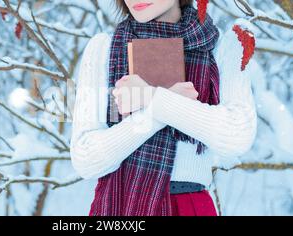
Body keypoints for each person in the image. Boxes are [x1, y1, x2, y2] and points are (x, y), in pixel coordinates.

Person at [70, 0, 257, 216]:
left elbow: (236, 136)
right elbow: (86, 158)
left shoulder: (222, 46)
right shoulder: (104, 49)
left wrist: (152, 97)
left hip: (189, 206)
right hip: (119, 207)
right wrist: (157, 112)